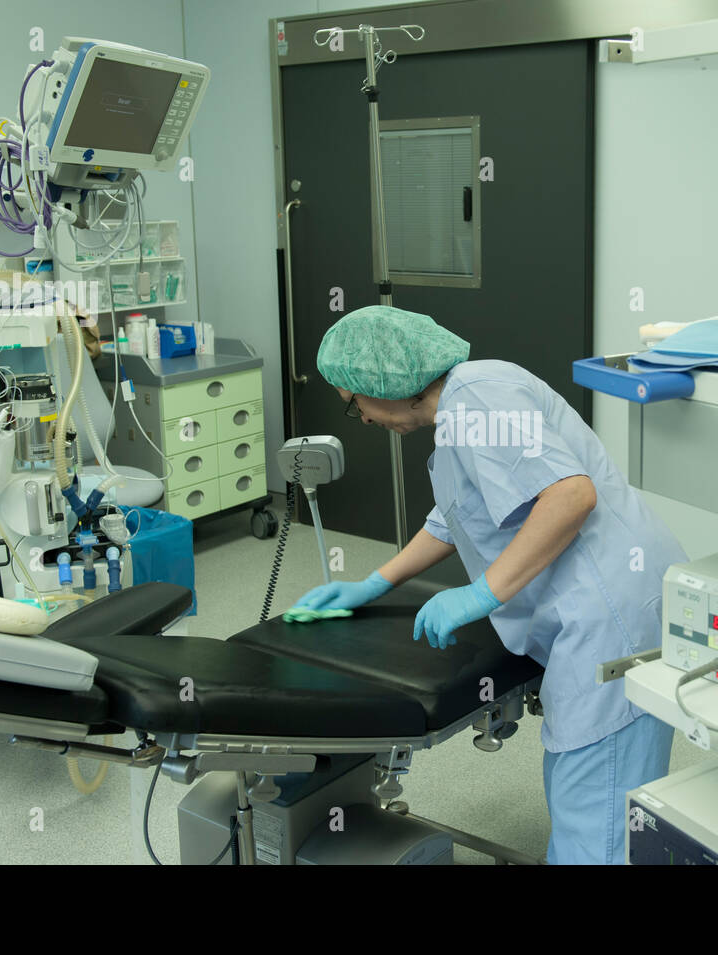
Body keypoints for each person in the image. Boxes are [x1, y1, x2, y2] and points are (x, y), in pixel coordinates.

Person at [292, 304, 687, 864]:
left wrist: (482, 595)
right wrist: (374, 582)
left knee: (598, 815)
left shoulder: (477, 398)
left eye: (354, 405)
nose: (363, 420)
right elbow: (456, 516)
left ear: (381, 381)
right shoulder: (463, 406)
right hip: (607, 603)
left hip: (609, 619)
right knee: (594, 790)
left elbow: (570, 496)